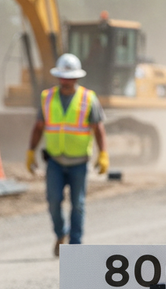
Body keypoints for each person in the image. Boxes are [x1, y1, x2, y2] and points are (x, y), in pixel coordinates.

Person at [26, 53, 109, 256]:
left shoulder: (88, 98)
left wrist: (103, 154)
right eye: (63, 77)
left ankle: (75, 246)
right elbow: (39, 127)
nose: (66, 81)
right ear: (58, 77)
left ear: (77, 78)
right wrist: (31, 152)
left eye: (70, 78)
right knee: (53, 201)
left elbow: (98, 129)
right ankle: (60, 233)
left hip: (79, 162)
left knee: (78, 204)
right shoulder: (47, 98)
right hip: (55, 161)